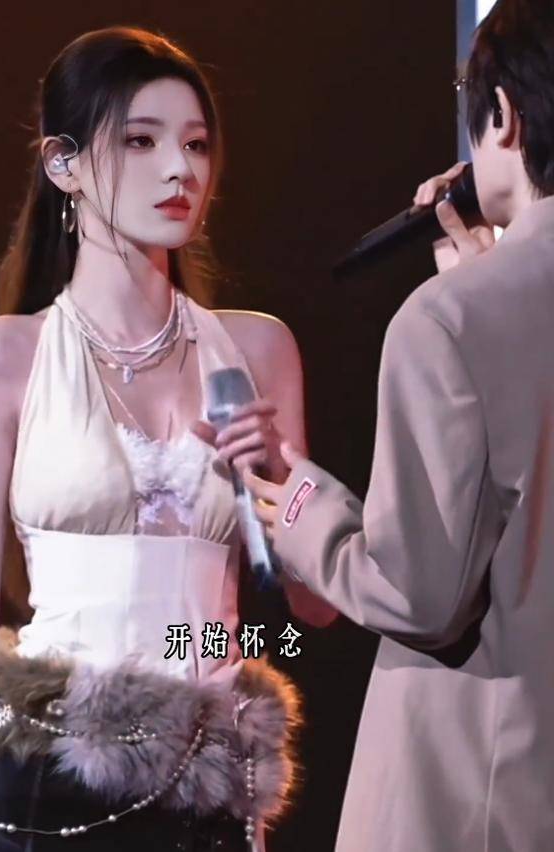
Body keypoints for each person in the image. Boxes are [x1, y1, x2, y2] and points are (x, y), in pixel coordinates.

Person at [0, 26, 336, 852]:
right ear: (63, 164)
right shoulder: (2, 358)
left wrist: (281, 473)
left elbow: (315, 604)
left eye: (196, 144)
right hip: (39, 776)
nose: (180, 169)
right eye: (141, 141)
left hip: (202, 788)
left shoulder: (257, 350)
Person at [232, 1, 554, 849]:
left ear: (504, 115)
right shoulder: (470, 311)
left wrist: (305, 511)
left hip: (486, 796)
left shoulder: (446, 322)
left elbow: (421, 594)